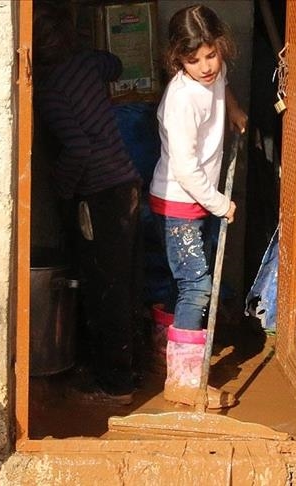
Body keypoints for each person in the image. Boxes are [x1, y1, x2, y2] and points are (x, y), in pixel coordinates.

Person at [33, 2, 144, 405]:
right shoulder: (87, 64)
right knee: (125, 280)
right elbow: (115, 64)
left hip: (99, 195)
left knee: (104, 287)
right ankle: (130, 367)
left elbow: (78, 149)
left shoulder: (50, 93)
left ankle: (115, 383)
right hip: (126, 184)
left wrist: (62, 188)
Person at [149, 4, 248, 409]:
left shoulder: (213, 73)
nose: (206, 67)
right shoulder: (181, 100)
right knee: (197, 287)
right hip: (179, 202)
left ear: (220, 46)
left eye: (211, 55)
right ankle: (185, 382)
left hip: (198, 201)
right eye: (194, 60)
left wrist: (234, 109)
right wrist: (220, 203)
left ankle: (167, 351)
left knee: (185, 283)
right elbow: (186, 169)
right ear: (178, 59)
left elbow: (221, 84)